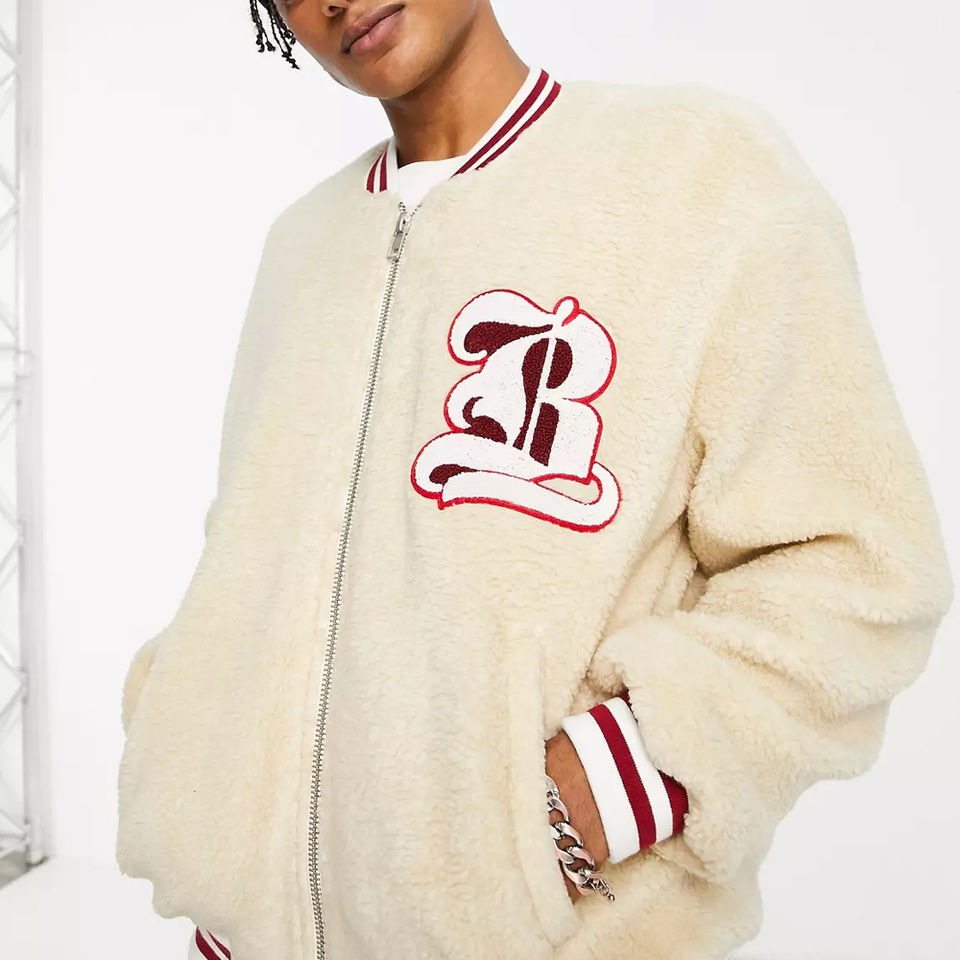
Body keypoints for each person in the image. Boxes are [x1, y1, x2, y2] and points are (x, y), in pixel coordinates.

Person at [117, 3, 954, 960]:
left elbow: (858, 567)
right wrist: (209, 803)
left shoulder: (701, 174)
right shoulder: (299, 245)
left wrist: (602, 786)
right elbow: (249, 563)